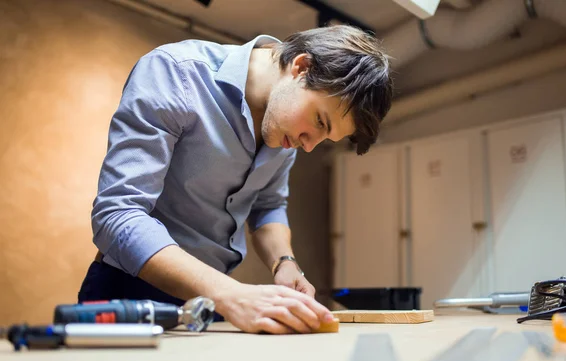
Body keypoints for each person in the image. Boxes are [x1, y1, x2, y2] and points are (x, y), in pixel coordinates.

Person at [78, 24, 393, 334]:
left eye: (325, 138)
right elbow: (117, 216)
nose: (309, 145)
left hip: (213, 304)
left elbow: (268, 206)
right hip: (129, 293)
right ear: (302, 67)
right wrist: (230, 294)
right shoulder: (176, 72)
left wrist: (284, 262)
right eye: (320, 122)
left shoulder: (287, 130)